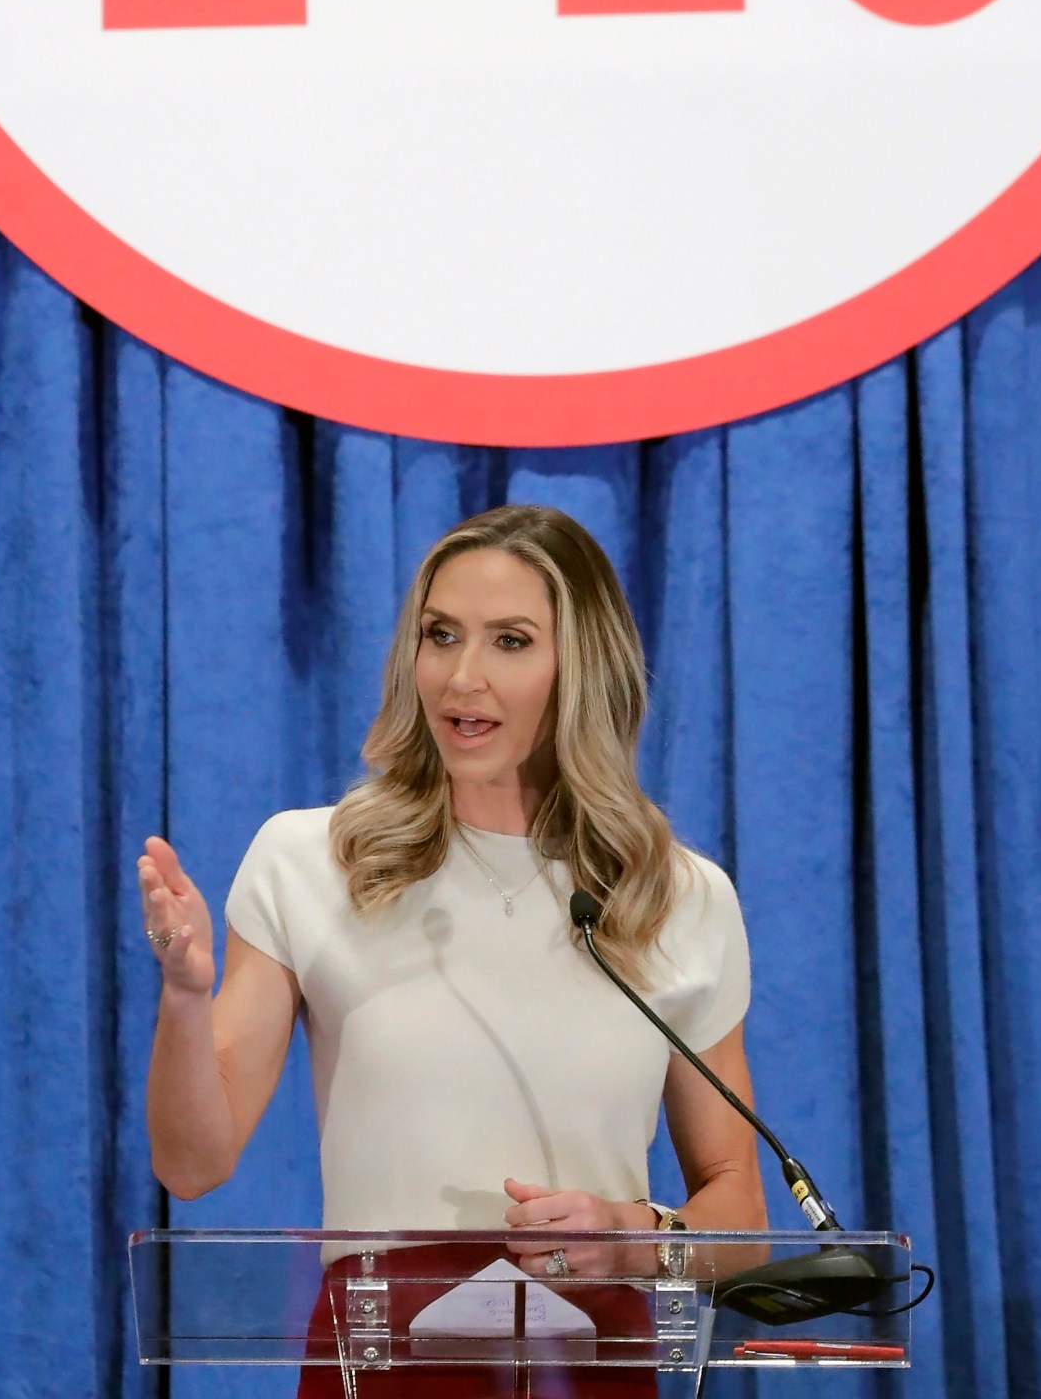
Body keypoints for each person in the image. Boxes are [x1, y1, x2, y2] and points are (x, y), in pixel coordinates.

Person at [139, 502, 767, 1267]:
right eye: (441, 635)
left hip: (594, 1336)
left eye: (511, 641)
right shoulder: (311, 861)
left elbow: (741, 1215)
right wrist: (184, 997)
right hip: (377, 1336)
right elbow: (192, 1165)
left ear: (583, 668)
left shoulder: (676, 896)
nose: (463, 677)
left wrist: (633, 1241)